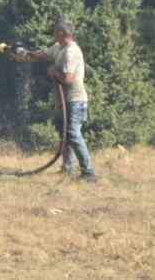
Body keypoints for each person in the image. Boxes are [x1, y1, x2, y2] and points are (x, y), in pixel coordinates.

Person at [11, 18, 97, 180]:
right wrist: (23, 53)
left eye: (55, 32)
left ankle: (89, 172)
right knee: (65, 134)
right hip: (64, 101)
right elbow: (41, 55)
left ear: (62, 33)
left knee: (73, 133)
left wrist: (53, 72)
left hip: (75, 100)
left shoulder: (71, 52)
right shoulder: (58, 47)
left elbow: (68, 79)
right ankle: (68, 168)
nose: (53, 34)